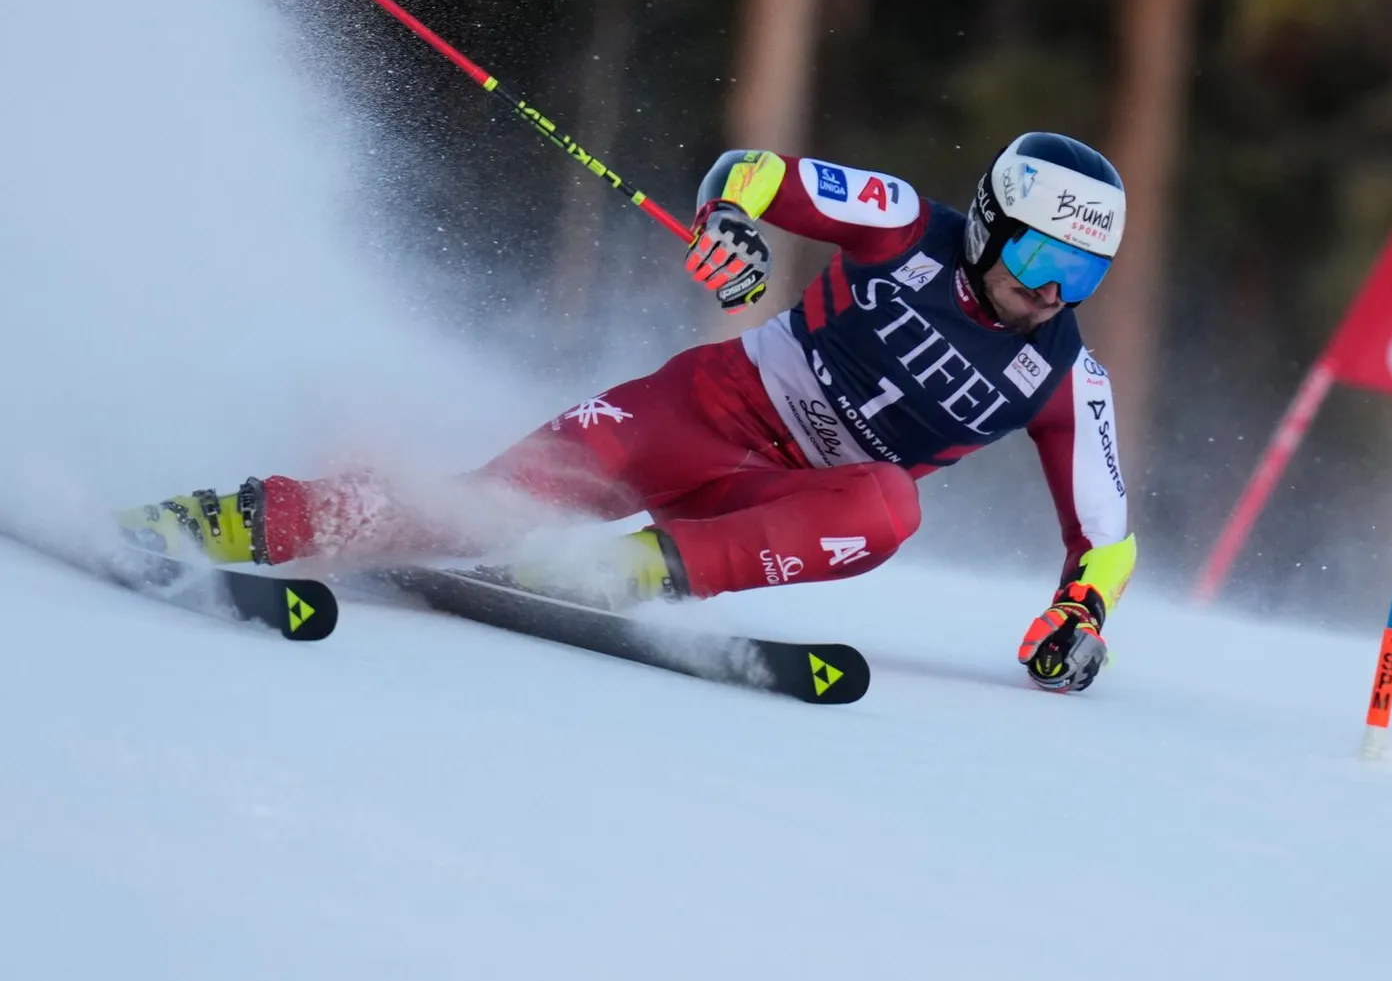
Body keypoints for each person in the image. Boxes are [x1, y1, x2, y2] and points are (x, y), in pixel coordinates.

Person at [117, 132, 1136, 691]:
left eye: (1084, 272)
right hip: (703, 411)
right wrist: (729, 223)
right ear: (990, 222)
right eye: (1040, 255)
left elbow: (1106, 538)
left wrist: (1079, 616)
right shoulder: (905, 223)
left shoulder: (1066, 375)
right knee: (484, 507)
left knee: (889, 508)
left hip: (782, 500)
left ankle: (629, 570)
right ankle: (247, 517)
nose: (1052, 290)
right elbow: (756, 173)